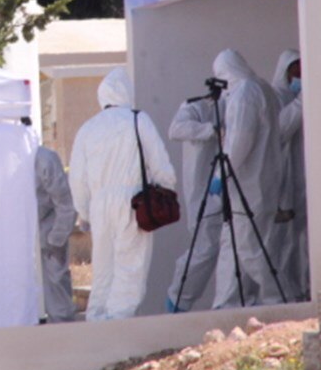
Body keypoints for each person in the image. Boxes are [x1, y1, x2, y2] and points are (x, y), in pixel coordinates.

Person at [69, 68, 177, 321]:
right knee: (130, 267)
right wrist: (167, 190)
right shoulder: (138, 119)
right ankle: (120, 325)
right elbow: (159, 162)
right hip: (132, 201)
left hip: (99, 207)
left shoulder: (88, 128)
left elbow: (77, 177)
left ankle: (96, 321)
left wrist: (85, 212)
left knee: (104, 270)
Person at [210, 49, 284, 309]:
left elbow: (240, 141)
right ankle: (228, 302)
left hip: (250, 185)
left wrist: (221, 173)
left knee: (251, 248)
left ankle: (279, 297)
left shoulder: (244, 94)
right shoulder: (262, 88)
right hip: (259, 180)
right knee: (234, 245)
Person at [165, 95, 224, 313]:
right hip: (203, 194)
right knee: (204, 248)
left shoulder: (236, 102)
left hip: (227, 189)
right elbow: (176, 130)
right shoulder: (195, 107)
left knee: (233, 249)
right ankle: (178, 299)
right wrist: (211, 130)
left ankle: (231, 302)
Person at [270, 49, 309, 302]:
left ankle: (305, 288)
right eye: (296, 71)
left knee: (304, 240)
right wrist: (300, 103)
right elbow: (281, 130)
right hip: (283, 180)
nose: (300, 76)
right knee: (285, 244)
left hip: (303, 179)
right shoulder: (275, 97)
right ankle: (287, 294)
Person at [35, 145, 78, 323]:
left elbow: (66, 204)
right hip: (15, 239)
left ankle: (66, 341)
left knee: (57, 297)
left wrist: (56, 240)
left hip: (46, 235)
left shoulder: (44, 159)